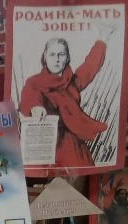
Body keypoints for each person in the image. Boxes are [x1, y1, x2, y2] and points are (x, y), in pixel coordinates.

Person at [19, 36, 108, 169]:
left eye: (61, 54)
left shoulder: (72, 82)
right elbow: (31, 95)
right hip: (49, 147)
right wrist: (36, 106)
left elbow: (90, 67)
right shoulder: (34, 82)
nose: (57, 59)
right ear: (45, 57)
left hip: (74, 148)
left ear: (67, 58)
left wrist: (102, 40)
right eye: (52, 54)